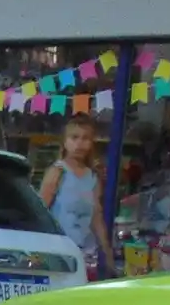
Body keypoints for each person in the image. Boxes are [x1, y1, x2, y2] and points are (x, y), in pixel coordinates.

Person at [39, 115, 115, 277]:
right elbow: (41, 212)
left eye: (85, 138)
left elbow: (96, 216)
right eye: (74, 138)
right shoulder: (57, 172)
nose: (80, 143)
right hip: (59, 251)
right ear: (65, 142)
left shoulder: (92, 177)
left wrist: (107, 253)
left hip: (87, 253)